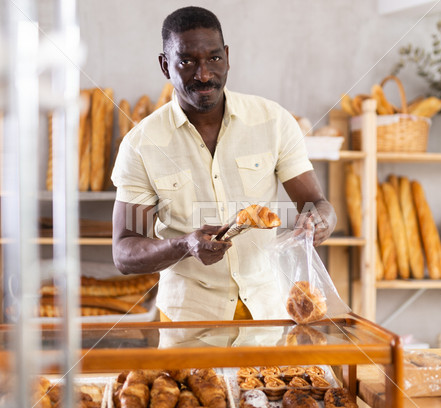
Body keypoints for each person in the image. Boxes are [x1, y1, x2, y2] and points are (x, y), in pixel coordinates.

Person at [111, 6, 336, 322]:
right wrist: (185, 245)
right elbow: (124, 251)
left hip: (266, 316)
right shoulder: (141, 144)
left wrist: (320, 221)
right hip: (187, 323)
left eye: (213, 59)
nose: (203, 75)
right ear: (165, 65)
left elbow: (318, 204)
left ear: (227, 57)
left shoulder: (274, 122)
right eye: (186, 62)